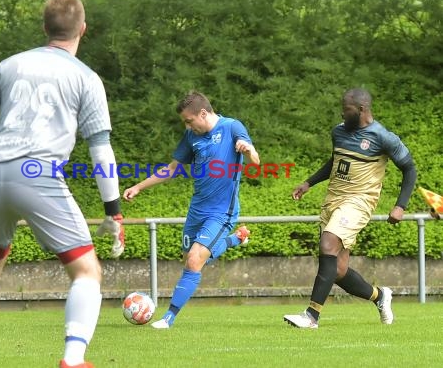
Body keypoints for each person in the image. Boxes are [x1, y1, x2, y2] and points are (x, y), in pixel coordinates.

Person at [0, 0, 125, 368]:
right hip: (36, 174)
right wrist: (113, 211)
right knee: (87, 271)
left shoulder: (10, 65)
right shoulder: (86, 78)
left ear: (45, 28)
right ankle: (73, 360)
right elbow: (100, 149)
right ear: (83, 30)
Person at [123, 90, 260, 329]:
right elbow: (173, 168)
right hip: (197, 210)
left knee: (194, 261)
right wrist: (139, 186)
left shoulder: (231, 127)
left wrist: (248, 150)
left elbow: (256, 161)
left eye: (189, 120)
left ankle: (168, 318)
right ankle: (234, 240)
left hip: (221, 212)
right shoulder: (191, 136)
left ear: (203, 113)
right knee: (191, 260)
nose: (187, 126)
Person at [283, 87, 417, 329]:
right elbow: (335, 162)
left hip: (359, 201)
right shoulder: (339, 132)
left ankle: (311, 316)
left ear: (362, 109)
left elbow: (410, 169)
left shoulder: (383, 137)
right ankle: (380, 296)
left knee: (328, 243)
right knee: (338, 269)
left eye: (347, 110)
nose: (343, 115)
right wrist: (308, 183)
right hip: (333, 200)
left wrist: (400, 206)